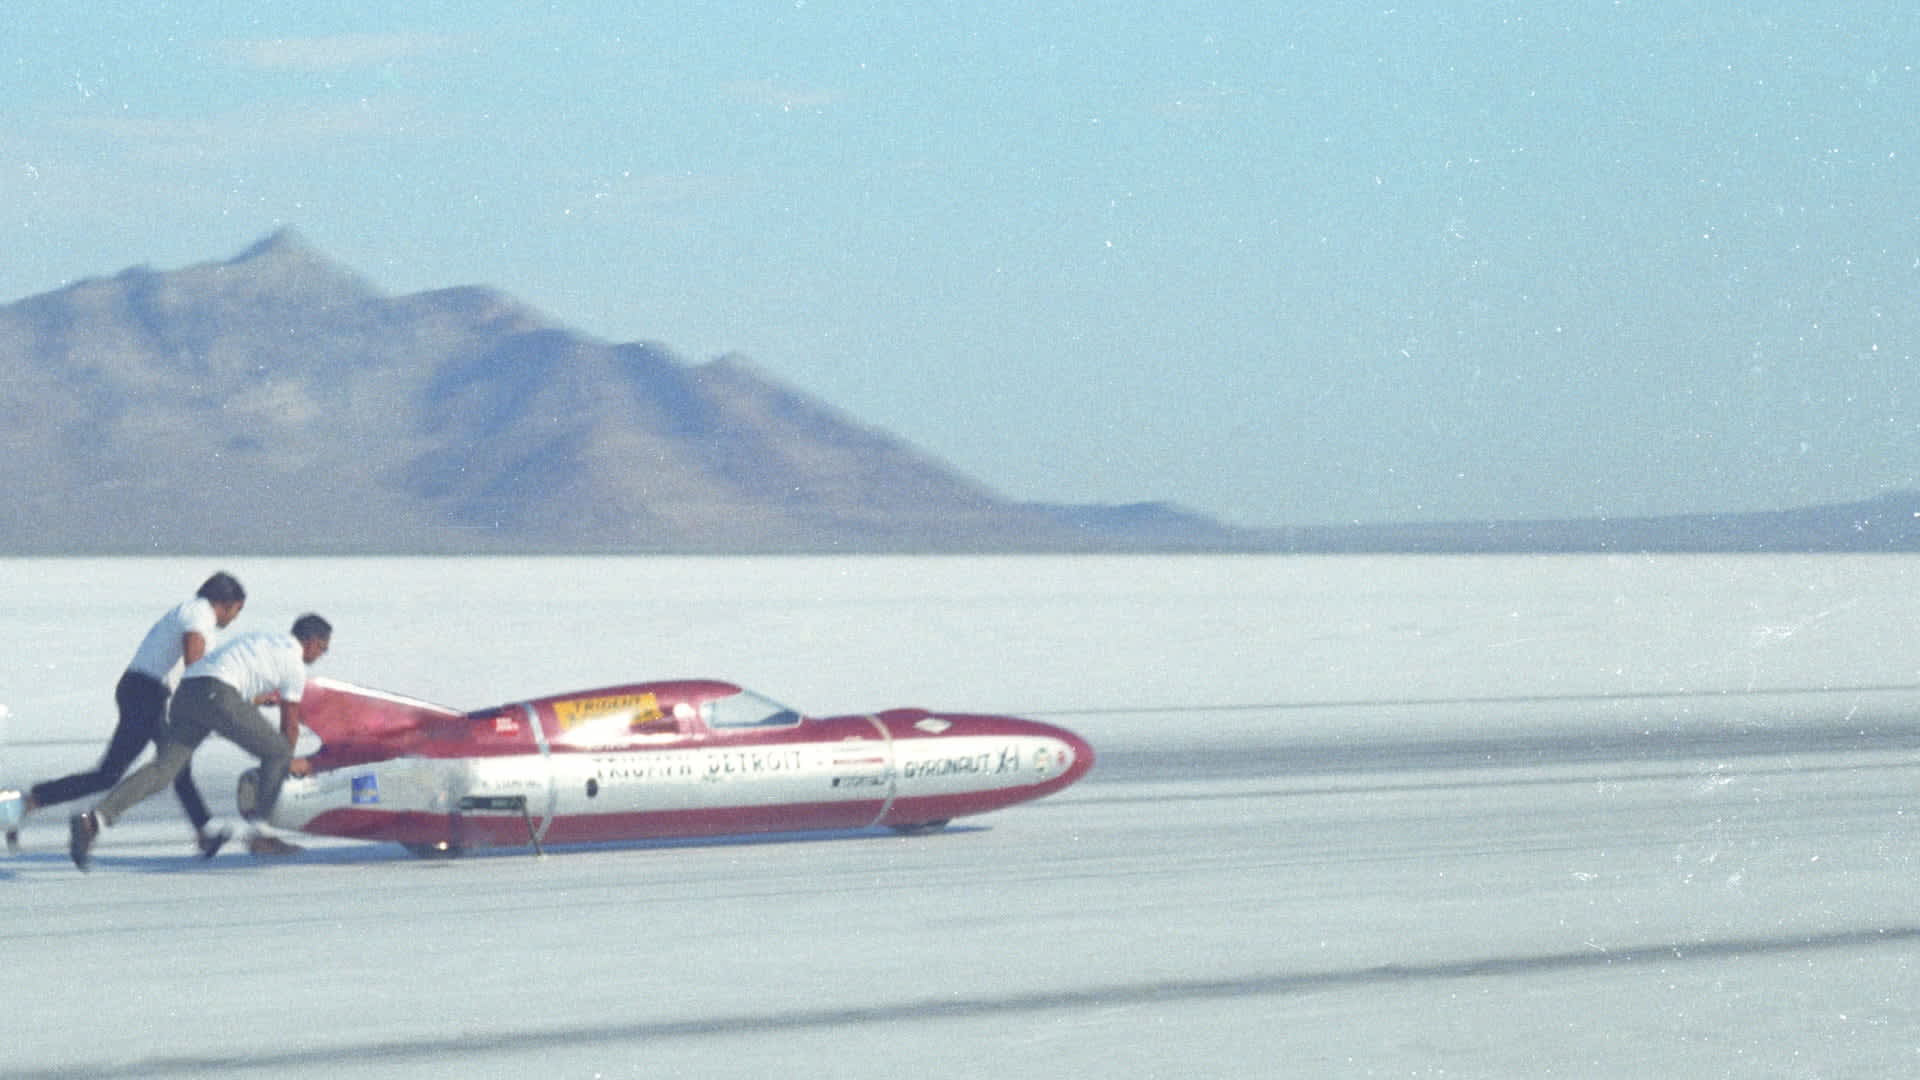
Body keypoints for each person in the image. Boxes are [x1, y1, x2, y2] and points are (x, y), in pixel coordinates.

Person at [6, 572, 246, 857]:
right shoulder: (200, 616)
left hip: (144, 691)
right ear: (225, 603)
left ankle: (205, 832)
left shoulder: (193, 611)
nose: (234, 618)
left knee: (176, 763)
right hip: (145, 693)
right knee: (111, 774)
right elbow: (194, 661)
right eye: (237, 610)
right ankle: (27, 803)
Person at [69, 614, 332, 870]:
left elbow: (230, 676)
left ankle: (95, 820)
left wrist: (251, 702)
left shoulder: (262, 639)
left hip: (188, 691)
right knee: (277, 751)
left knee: (163, 770)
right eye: (322, 647)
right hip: (219, 695)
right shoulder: (294, 665)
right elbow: (290, 725)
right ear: (309, 641)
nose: (321, 655)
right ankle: (260, 835)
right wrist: (285, 765)